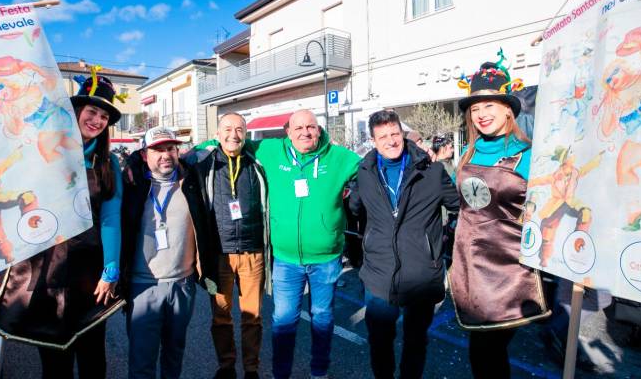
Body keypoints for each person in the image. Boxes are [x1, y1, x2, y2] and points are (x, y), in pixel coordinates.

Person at [198, 109, 360, 379]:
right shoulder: (270, 151)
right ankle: (278, 373)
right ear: (288, 131)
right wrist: (192, 150)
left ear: (319, 129)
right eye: (298, 128)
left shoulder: (340, 157)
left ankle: (318, 372)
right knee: (283, 321)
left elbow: (373, 164)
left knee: (322, 319)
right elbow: (224, 142)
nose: (305, 132)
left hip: (325, 259)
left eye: (311, 127)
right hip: (284, 260)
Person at [0, 75, 124, 379]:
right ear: (75, 111)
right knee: (54, 359)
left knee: (93, 357)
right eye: (92, 112)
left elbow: (110, 217)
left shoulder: (109, 163)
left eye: (104, 116)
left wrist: (111, 269)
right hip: (47, 267)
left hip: (90, 273)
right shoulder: (40, 153)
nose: (98, 120)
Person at [448, 59, 550, 378]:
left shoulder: (531, 155)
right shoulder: (469, 151)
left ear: (509, 108)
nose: (481, 114)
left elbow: (548, 213)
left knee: (487, 354)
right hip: (470, 269)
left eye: (489, 104)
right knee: (482, 357)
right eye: (476, 108)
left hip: (507, 272)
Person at [349, 110, 459, 378]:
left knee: (415, 341)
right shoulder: (364, 173)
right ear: (374, 141)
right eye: (383, 136)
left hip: (422, 273)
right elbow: (355, 209)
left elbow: (459, 206)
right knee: (379, 342)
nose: (390, 141)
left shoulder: (432, 172)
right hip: (379, 274)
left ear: (403, 134)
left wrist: (444, 242)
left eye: (394, 134)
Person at [120, 126, 219, 379]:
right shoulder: (131, 185)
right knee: (142, 362)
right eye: (157, 150)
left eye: (171, 149)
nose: (165, 155)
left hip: (182, 285)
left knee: (174, 356)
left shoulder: (191, 181)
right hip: (143, 286)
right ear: (144, 155)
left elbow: (211, 145)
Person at [190, 113, 269, 379]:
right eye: (227, 129)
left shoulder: (256, 163)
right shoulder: (204, 163)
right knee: (220, 317)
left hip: (253, 253)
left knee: (252, 318)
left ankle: (251, 369)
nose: (233, 135)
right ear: (217, 132)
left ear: (246, 133)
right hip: (218, 255)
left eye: (239, 129)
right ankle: (226, 366)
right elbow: (170, 158)